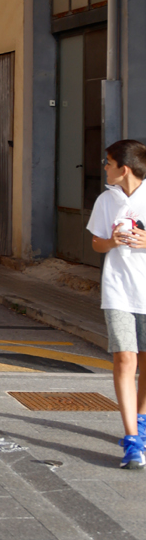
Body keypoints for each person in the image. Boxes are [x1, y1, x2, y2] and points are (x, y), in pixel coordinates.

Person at [87, 137, 146, 469]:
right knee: (125, 359)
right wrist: (112, 241)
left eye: (108, 164)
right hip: (118, 289)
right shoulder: (105, 201)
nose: (104, 169)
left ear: (124, 169)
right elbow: (96, 244)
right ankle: (131, 439)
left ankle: (142, 420)